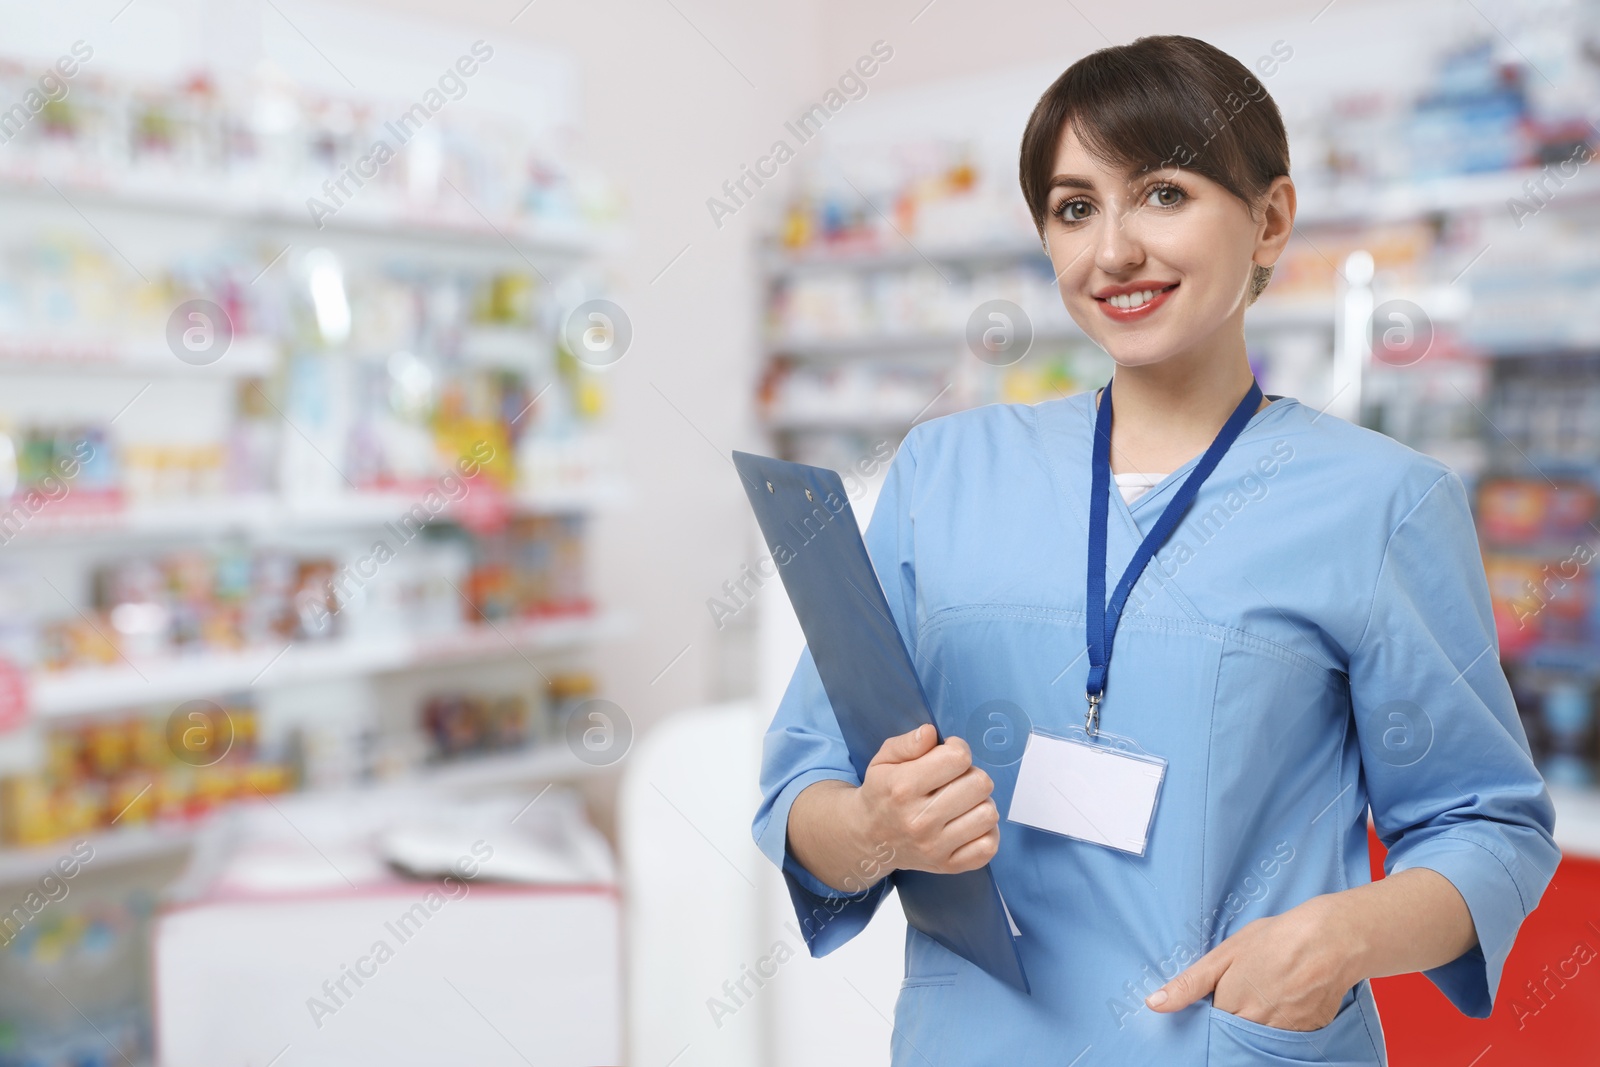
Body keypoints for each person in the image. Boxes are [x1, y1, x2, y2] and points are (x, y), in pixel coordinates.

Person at [750, 33, 1561, 1066]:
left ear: (1269, 220)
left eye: (1164, 194)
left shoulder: (1379, 502)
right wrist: (876, 826)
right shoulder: (943, 472)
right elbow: (802, 792)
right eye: (1074, 206)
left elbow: (1487, 824)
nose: (1113, 251)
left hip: (1231, 1040)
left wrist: (1338, 937)